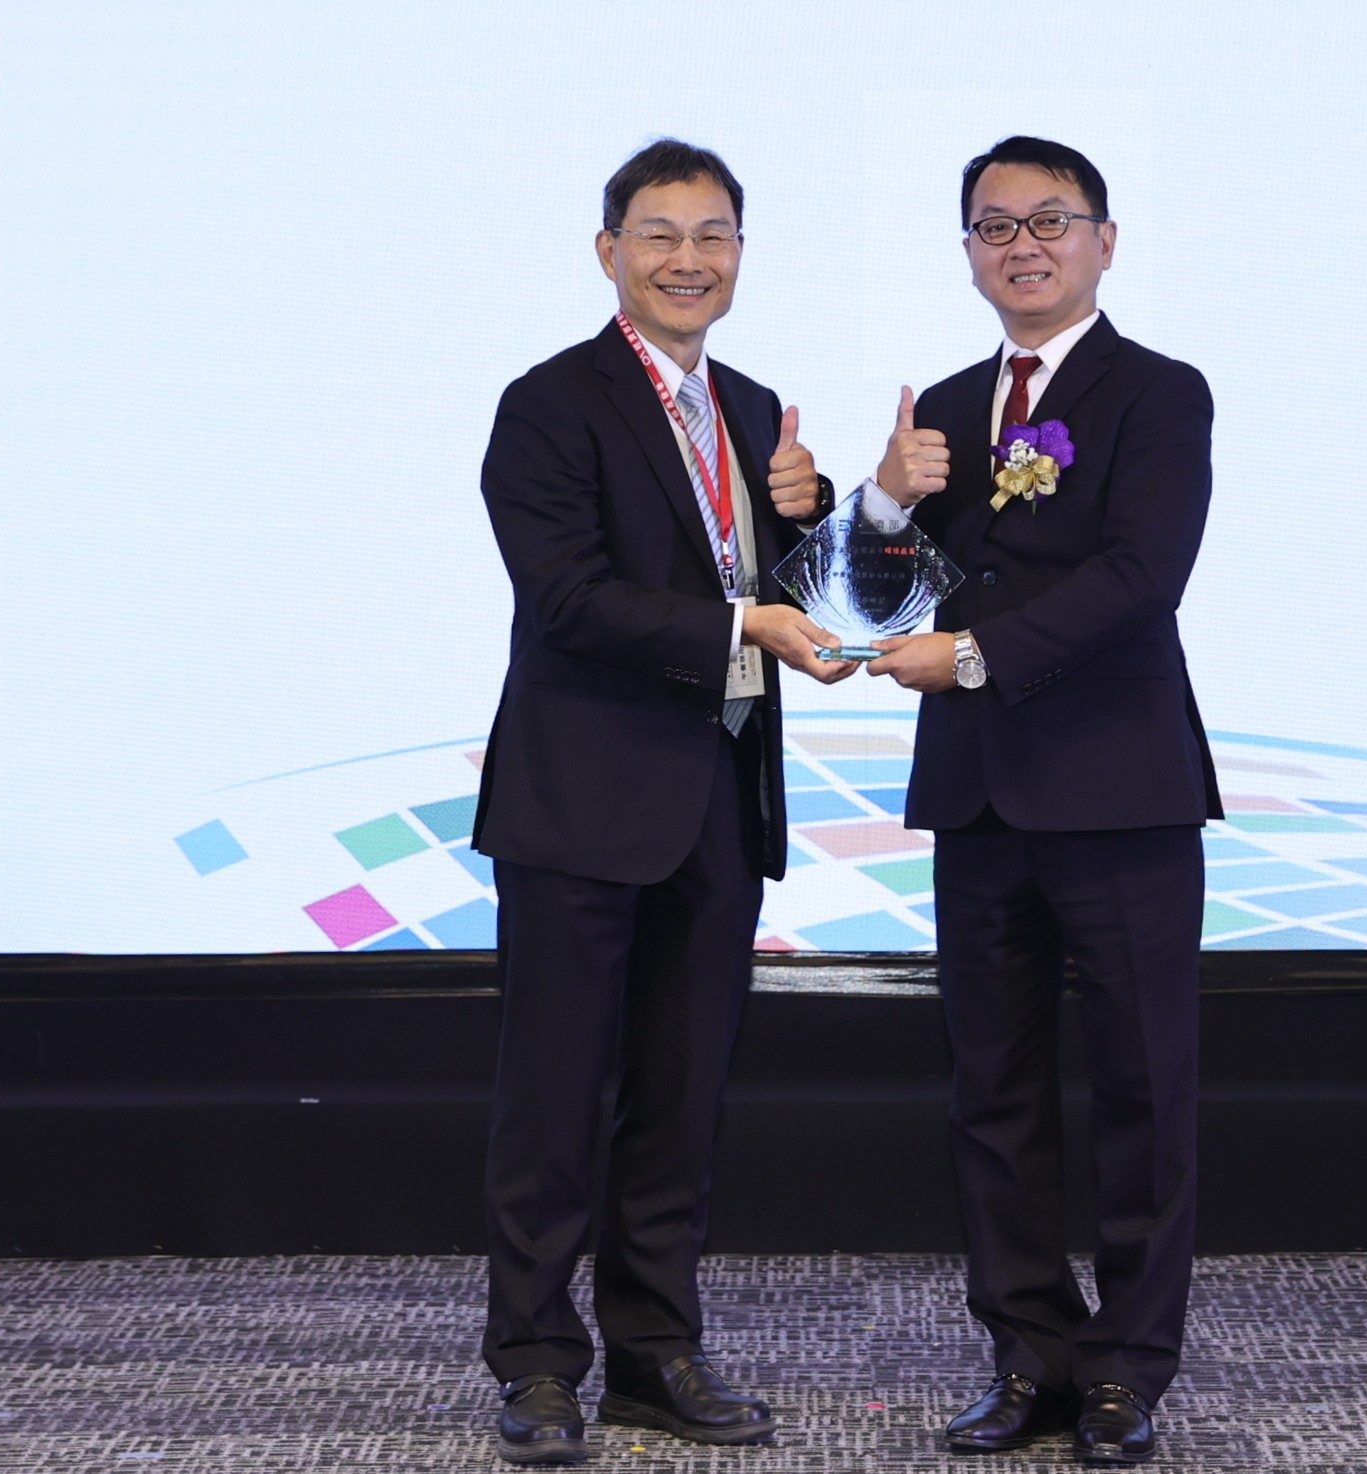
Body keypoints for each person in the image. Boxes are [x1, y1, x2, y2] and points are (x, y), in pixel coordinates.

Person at [471, 137, 849, 1466]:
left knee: (681, 1101)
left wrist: (824, 512)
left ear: (740, 254)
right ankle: (535, 1362)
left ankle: (653, 1353)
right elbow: (569, 599)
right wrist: (747, 617)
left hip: (717, 801)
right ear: (609, 252)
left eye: (713, 236)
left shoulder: (753, 408)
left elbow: (788, 589)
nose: (689, 260)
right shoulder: (548, 404)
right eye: (660, 234)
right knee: (553, 1102)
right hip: (581, 803)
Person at [863, 135, 1221, 1466]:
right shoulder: (946, 408)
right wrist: (880, 505)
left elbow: (1140, 577)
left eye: (1049, 220)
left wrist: (970, 656)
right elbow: (882, 598)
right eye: (995, 225)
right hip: (978, 796)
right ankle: (1029, 1354)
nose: (1023, 244)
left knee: (1141, 1089)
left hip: (1120, 790)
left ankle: (1127, 1368)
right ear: (968, 252)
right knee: (993, 1094)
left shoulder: (1160, 393)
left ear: (1103, 241)